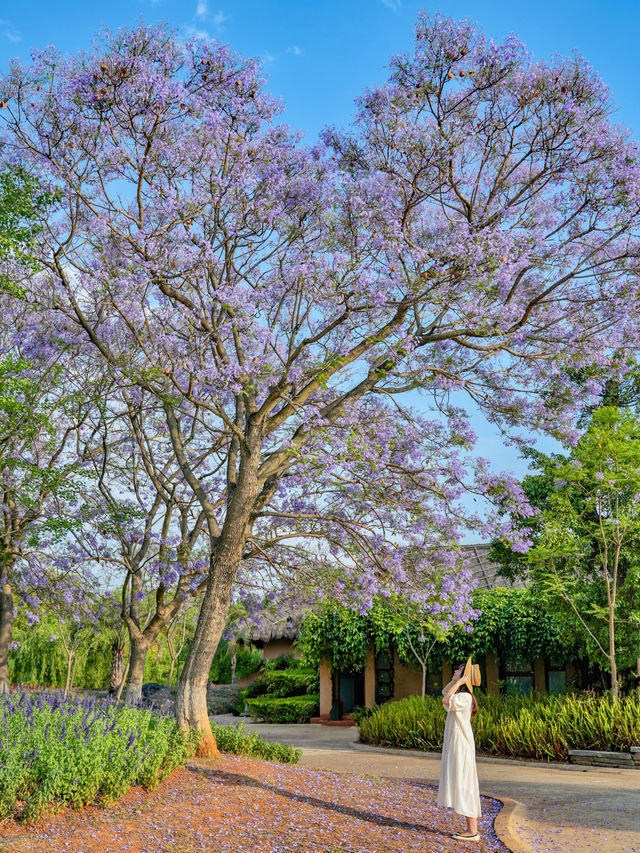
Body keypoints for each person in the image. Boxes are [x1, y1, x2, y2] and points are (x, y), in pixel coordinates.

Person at [437, 657, 482, 842]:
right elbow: (444, 692)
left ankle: (473, 831)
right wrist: (457, 681)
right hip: (457, 745)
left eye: (458, 670)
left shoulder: (464, 697)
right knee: (461, 782)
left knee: (465, 784)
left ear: (464, 676)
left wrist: (462, 681)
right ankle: (470, 829)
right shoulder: (460, 694)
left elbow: (447, 699)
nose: (454, 671)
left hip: (461, 746)